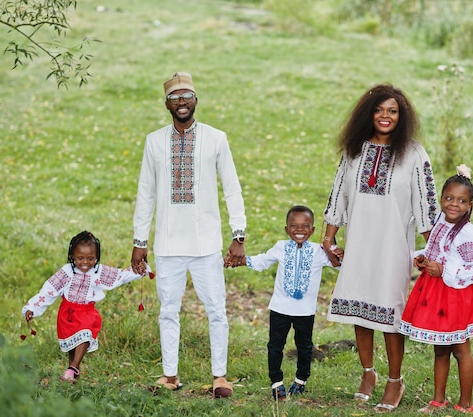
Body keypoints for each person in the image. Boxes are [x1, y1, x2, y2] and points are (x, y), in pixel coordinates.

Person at [322, 84, 438, 413]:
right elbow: (338, 196)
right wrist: (329, 238)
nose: (385, 116)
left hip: (393, 247)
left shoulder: (413, 153)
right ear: (368, 113)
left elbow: (426, 204)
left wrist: (435, 249)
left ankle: (395, 380)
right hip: (359, 242)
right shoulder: (354, 150)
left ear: (402, 117)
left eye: (392, 111)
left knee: (389, 314)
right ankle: (368, 373)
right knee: (360, 308)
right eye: (379, 110)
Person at [130, 72, 246, 398]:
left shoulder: (215, 138)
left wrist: (239, 235)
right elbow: (145, 194)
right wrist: (140, 242)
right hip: (168, 243)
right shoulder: (154, 141)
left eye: (187, 96)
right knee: (168, 310)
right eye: (175, 97)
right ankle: (170, 375)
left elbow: (232, 189)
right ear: (166, 103)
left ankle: (220, 377)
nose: (181, 102)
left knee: (216, 310)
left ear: (196, 100)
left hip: (207, 242)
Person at [226, 205, 343, 401]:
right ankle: (276, 382)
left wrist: (338, 253)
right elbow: (263, 261)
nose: (300, 230)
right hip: (279, 309)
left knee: (304, 346)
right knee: (275, 346)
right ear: (286, 229)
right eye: (294, 226)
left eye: (305, 226)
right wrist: (240, 261)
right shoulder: (280, 247)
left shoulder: (318, 252)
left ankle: (301, 379)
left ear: (313, 230)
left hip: (305, 312)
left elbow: (339, 266)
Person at [399, 165, 473, 415]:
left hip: (456, 295)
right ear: (441, 199)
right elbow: (436, 250)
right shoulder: (439, 221)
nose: (454, 204)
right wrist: (423, 258)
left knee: (461, 349)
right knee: (440, 347)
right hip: (435, 292)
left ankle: (466, 402)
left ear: (470, 205)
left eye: (461, 201)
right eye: (449, 198)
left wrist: (445, 271)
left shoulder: (469, 234)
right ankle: (438, 399)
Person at [22, 231, 150, 382]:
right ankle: (73, 375)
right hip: (67, 313)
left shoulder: (98, 271)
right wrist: (33, 308)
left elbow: (119, 276)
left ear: (96, 257)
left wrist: (140, 269)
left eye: (91, 258)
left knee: (85, 335)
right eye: (80, 258)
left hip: (87, 313)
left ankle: (74, 366)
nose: (85, 262)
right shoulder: (66, 272)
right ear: (72, 256)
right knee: (71, 345)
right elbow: (50, 290)